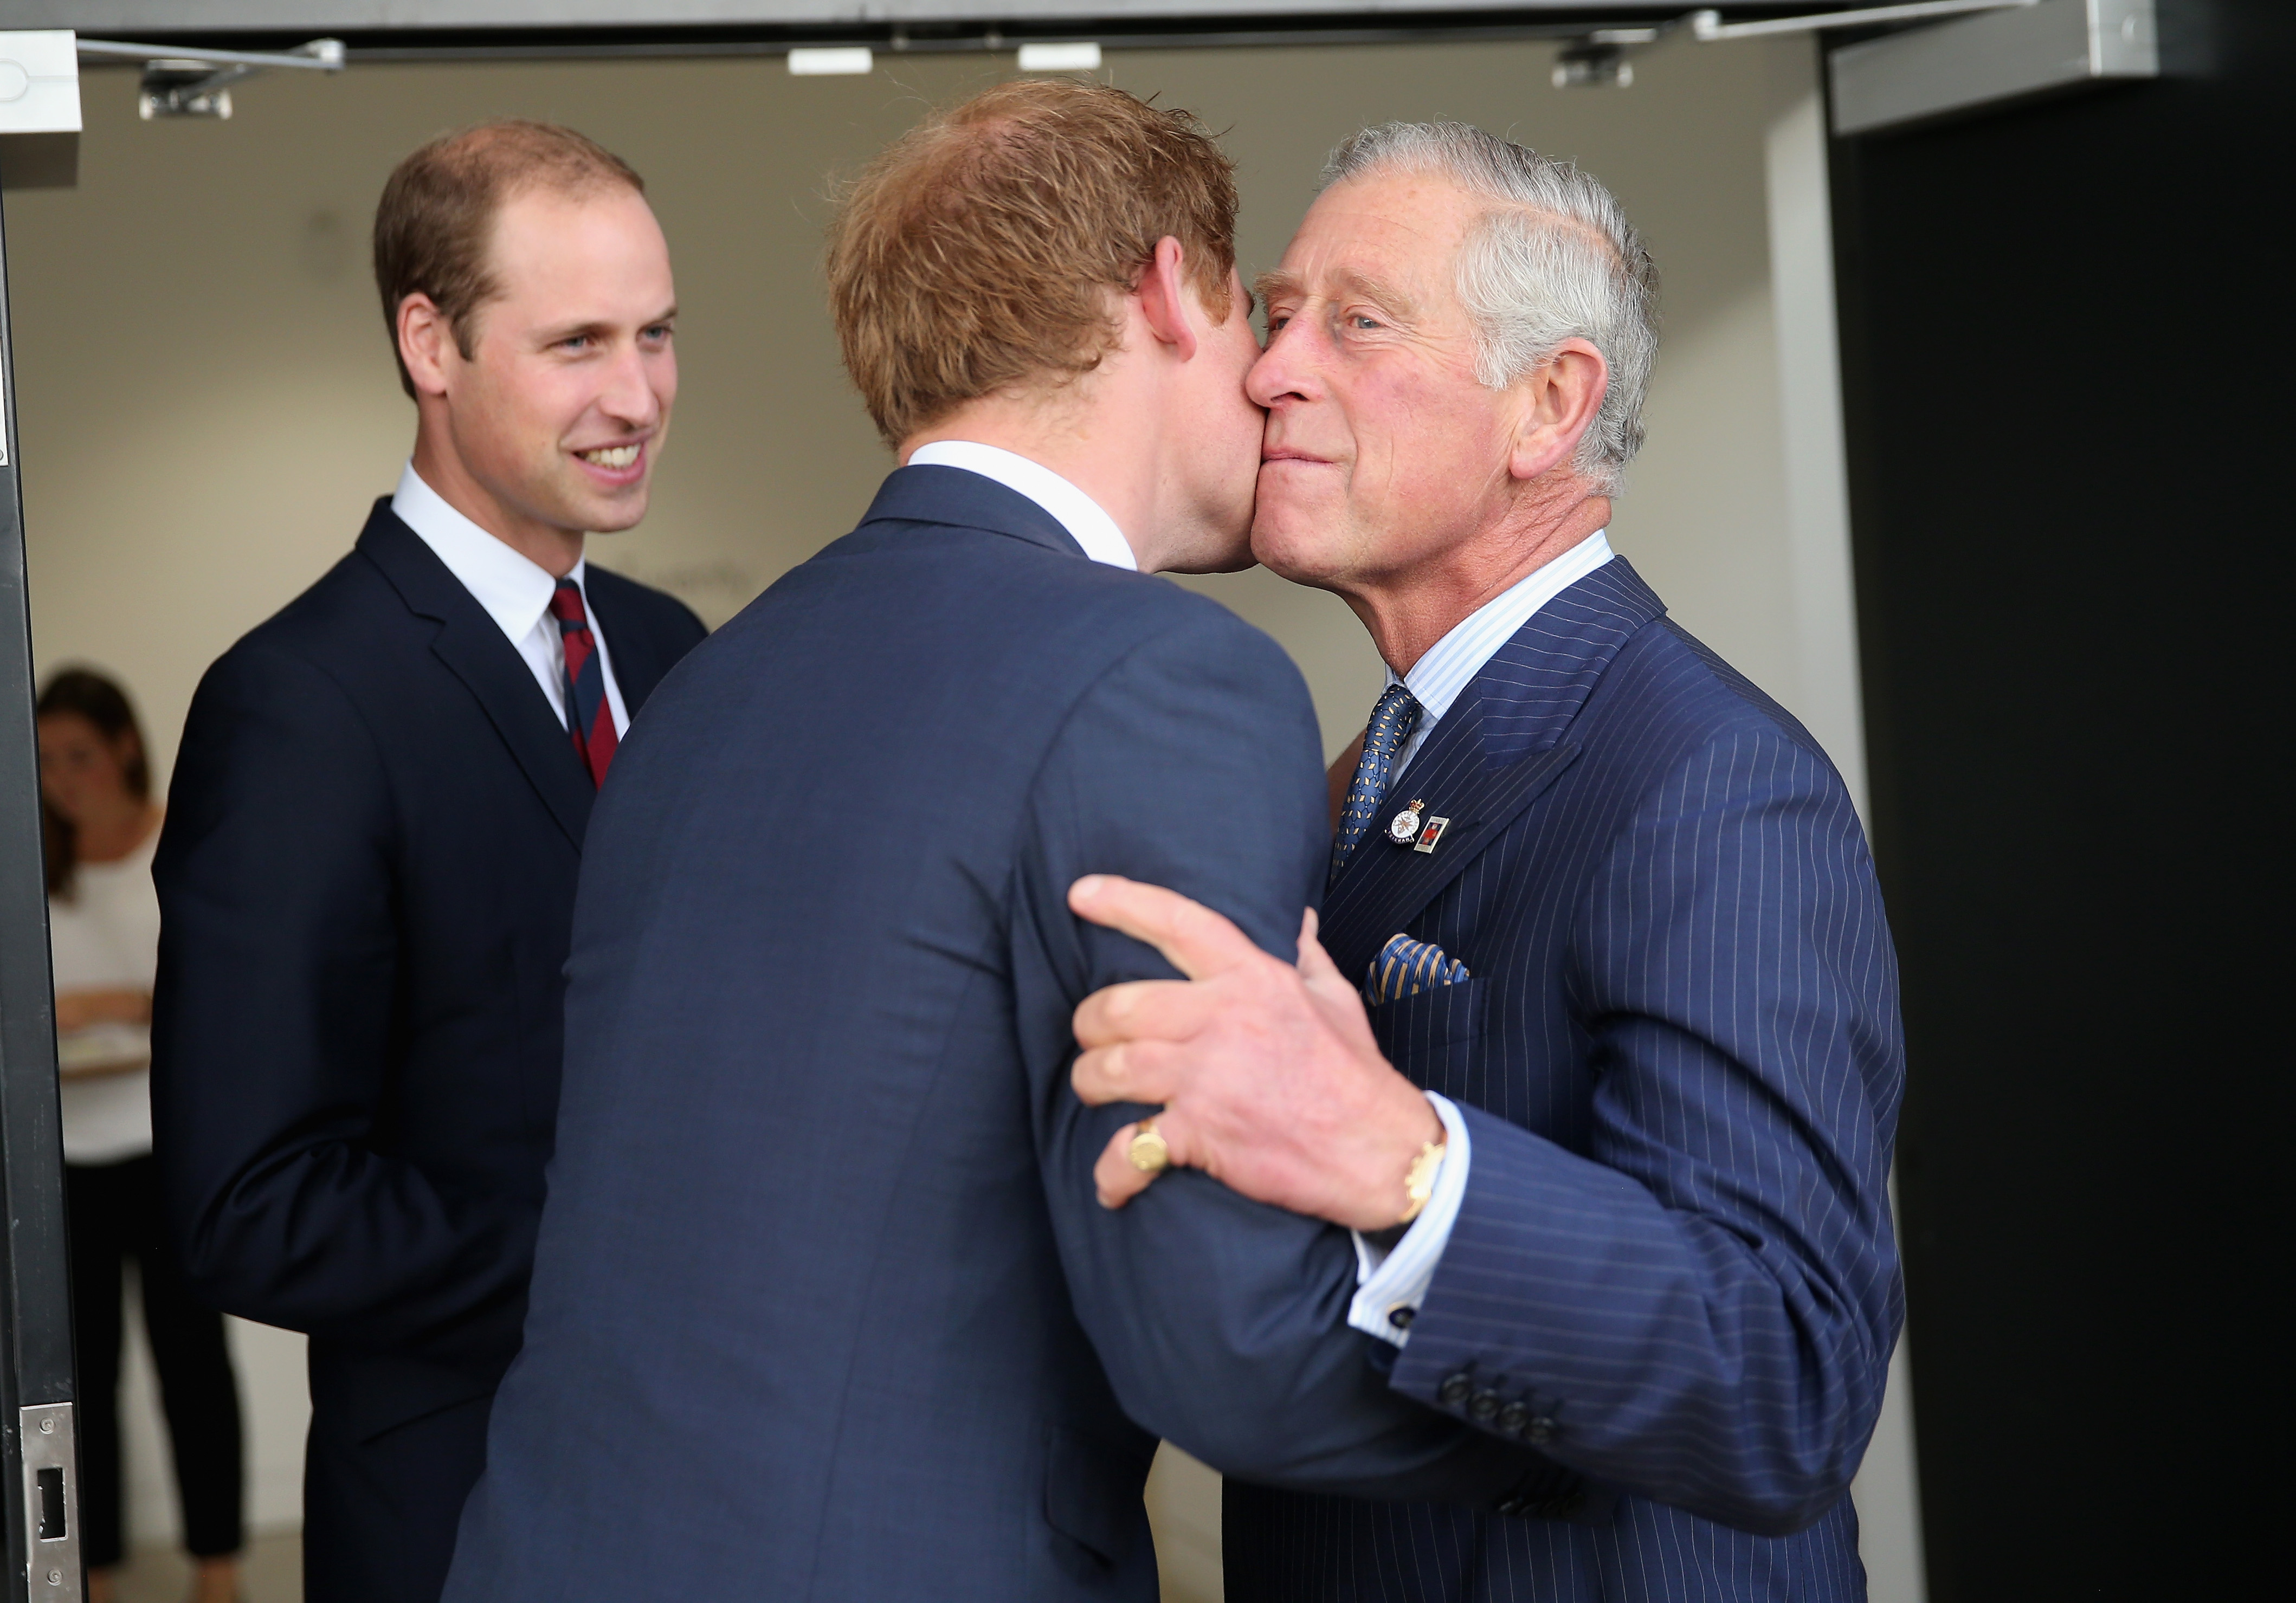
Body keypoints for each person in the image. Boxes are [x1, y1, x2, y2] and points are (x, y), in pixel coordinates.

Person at [443, 82, 1551, 1603]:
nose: (1278, 378)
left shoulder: (704, 686)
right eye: (1257, 316)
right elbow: (1225, 1345)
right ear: (1171, 289)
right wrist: (1604, 1395)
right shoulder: (1166, 675)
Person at [1066, 122, 1905, 1600]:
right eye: (1273, 315)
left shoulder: (1710, 784)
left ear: (1548, 405)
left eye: (1354, 321)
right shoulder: (1366, 766)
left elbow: (1783, 1375)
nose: (1267, 370)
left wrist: (1401, 1158)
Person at [150, 121, 707, 1603]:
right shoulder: (301, 703)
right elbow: (248, 1201)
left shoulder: (672, 651)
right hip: (464, 1521)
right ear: (429, 340)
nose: (637, 394)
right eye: (578, 341)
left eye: (656, 334)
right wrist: (622, 1253)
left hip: (717, 1487)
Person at [39, 668, 245, 1603]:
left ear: (125, 745)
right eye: (43, 761)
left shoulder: (183, 842)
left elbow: (226, 994)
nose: (62, 778)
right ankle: (100, 1577)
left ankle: (217, 1569)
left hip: (172, 1150)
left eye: (78, 754)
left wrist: (123, 1003)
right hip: (66, 1162)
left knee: (192, 1366)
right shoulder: (33, 864)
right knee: (83, 1383)